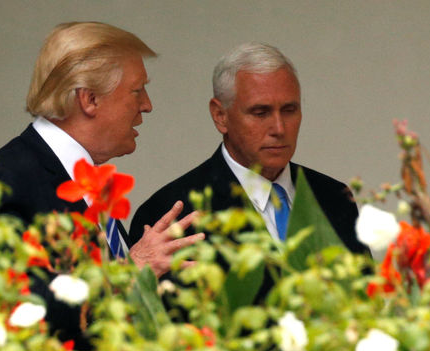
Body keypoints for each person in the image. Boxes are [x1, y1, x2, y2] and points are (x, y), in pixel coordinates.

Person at [0, 22, 204, 347]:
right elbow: (5, 321)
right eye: (137, 91)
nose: (147, 105)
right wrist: (130, 270)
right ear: (89, 99)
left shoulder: (81, 180)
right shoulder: (2, 182)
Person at [129, 42, 368, 303]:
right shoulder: (172, 212)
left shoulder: (333, 196)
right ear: (220, 116)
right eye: (260, 112)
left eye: (289, 110)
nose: (279, 127)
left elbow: (364, 300)